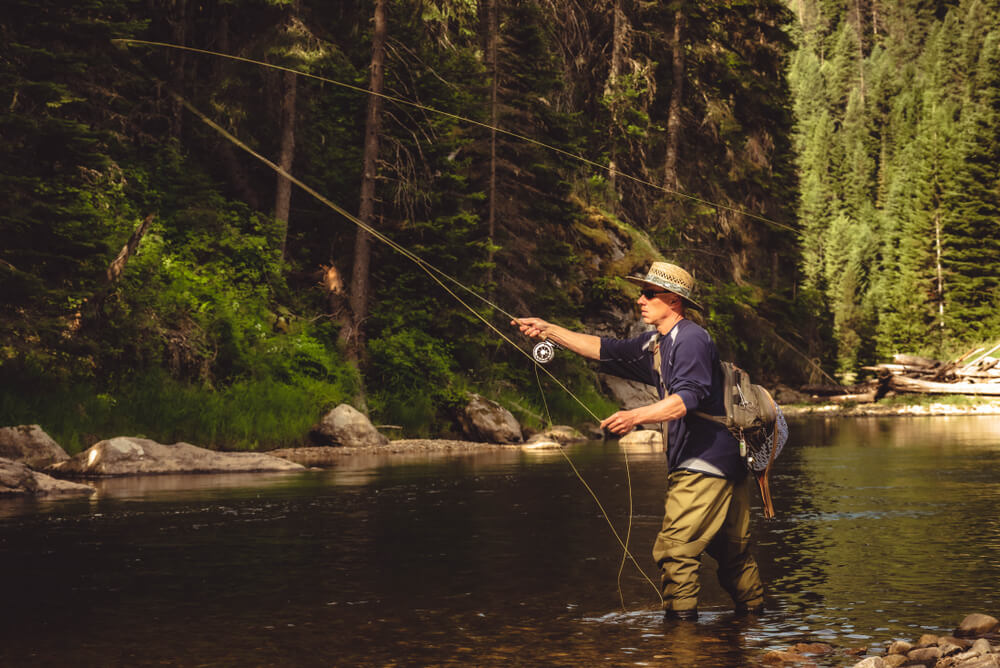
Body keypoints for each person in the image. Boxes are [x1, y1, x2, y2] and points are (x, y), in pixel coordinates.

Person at [512, 261, 764, 621]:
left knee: (676, 553)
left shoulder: (691, 339)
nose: (639, 300)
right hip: (725, 461)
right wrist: (550, 330)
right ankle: (756, 629)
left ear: (674, 301)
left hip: (702, 462)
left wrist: (635, 416)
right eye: (640, 293)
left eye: (648, 294)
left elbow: (687, 399)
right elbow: (605, 349)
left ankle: (681, 640)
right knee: (731, 553)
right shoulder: (657, 343)